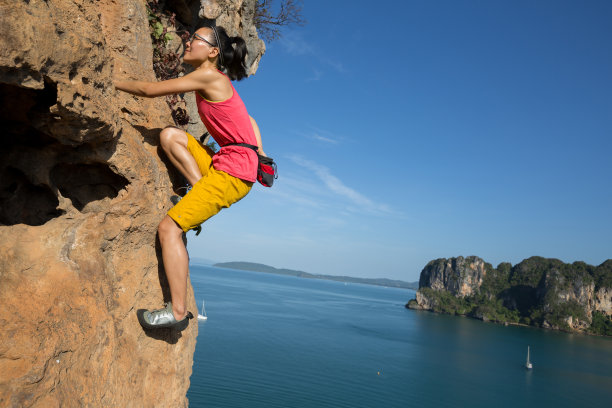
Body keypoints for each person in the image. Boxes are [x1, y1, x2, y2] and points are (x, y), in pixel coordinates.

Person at [114, 25, 265, 329]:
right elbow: (249, 119)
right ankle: (196, 189)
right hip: (228, 164)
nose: (189, 40)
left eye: (197, 38)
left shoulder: (207, 75)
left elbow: (148, 90)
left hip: (232, 174)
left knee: (169, 229)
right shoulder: (217, 82)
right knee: (171, 136)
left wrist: (107, 80)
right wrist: (258, 155)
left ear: (212, 52)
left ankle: (177, 313)